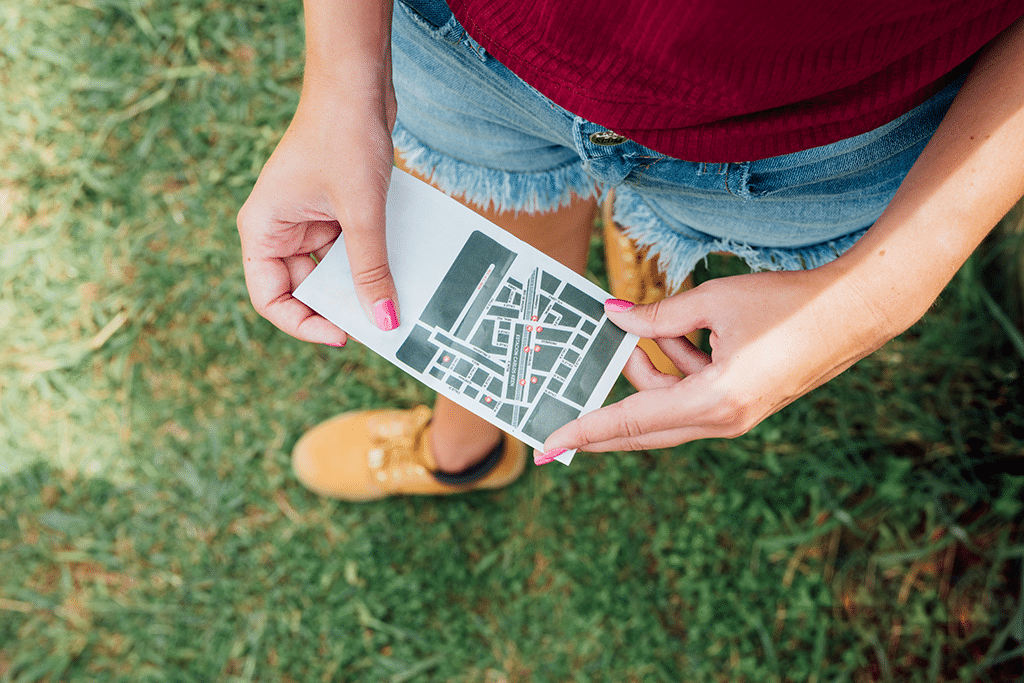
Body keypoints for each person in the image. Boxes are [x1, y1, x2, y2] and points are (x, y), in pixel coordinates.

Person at [237, 0, 1024, 500]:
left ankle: (640, 251)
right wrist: (342, 72)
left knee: (633, 288)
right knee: (492, 255)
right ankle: (466, 450)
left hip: (812, 131)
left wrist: (884, 291)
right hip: (471, 46)